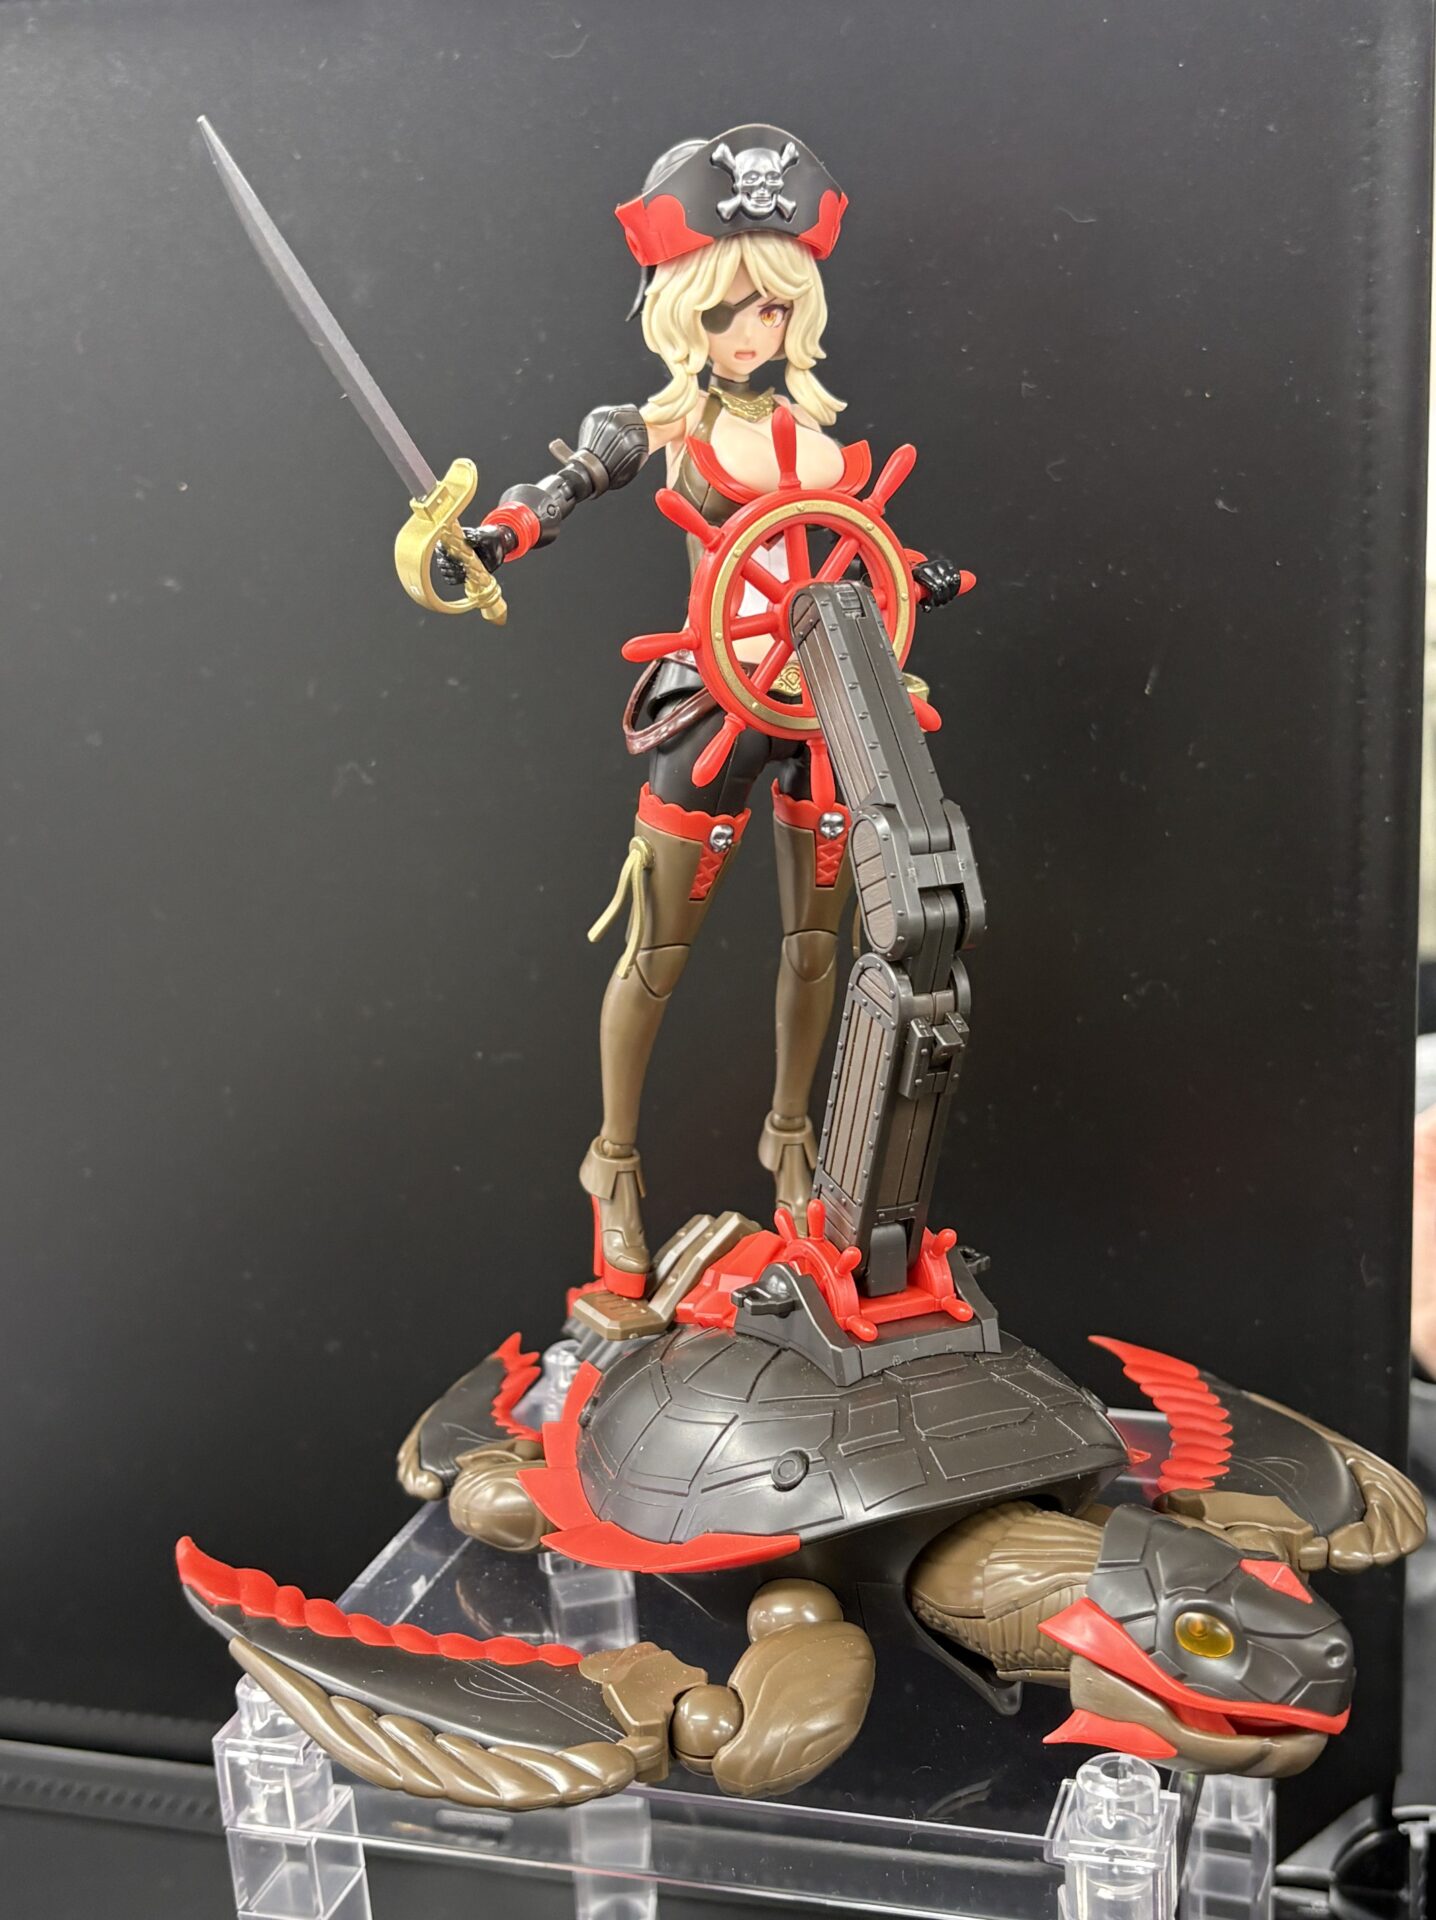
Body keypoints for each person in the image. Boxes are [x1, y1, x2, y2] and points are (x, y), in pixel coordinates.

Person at [440, 127, 967, 1290]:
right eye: (727, 308)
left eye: (769, 307)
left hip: (816, 717)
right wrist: (495, 536)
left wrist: (908, 581)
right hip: (707, 710)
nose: (749, 330)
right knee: (655, 953)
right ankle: (612, 1165)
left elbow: (853, 555)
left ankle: (792, 1148)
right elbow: (563, 488)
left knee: (818, 950)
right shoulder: (665, 427)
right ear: (685, 309)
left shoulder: (819, 442)